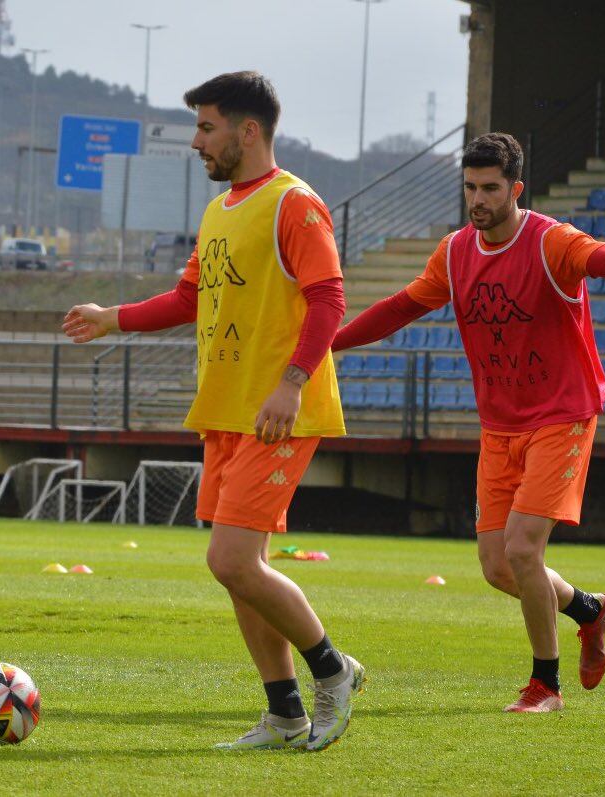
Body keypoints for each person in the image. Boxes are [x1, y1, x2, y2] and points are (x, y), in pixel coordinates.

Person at [334, 132, 605, 712]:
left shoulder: (551, 241)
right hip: (500, 424)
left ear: (515, 189)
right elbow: (401, 306)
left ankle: (545, 687)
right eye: (470, 187)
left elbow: (602, 258)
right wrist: (333, 342)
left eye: (490, 188)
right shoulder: (453, 252)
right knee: (499, 567)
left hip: (563, 415)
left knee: (524, 550)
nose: (477, 199)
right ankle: (589, 609)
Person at [63, 71, 362, 751]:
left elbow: (328, 300)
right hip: (227, 411)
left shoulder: (295, 203)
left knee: (229, 560)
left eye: (205, 127)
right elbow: (188, 297)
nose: (196, 141)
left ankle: (332, 670)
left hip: (279, 410)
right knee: (238, 568)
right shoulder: (222, 208)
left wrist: (290, 384)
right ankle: (284, 713)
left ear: (246, 131)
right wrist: (113, 318)